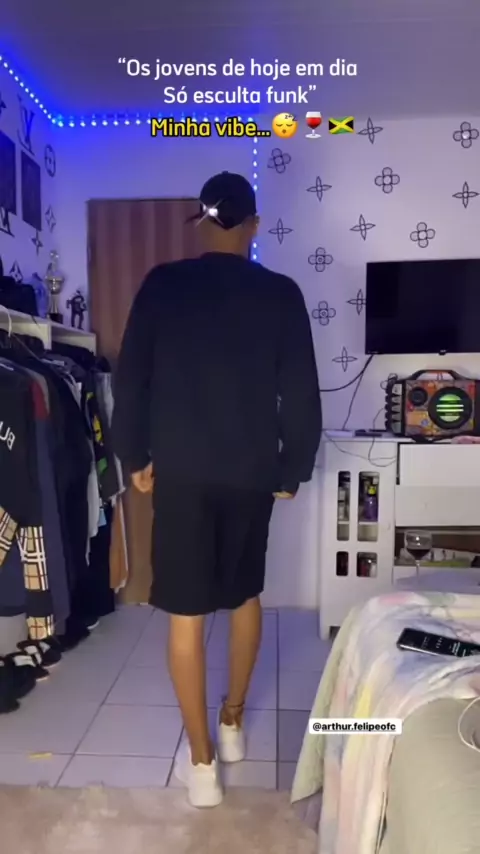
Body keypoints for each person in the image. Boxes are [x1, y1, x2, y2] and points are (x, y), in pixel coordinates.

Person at [112, 171, 322, 807]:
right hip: (250, 470)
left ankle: (202, 765)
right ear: (253, 226)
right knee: (244, 593)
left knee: (186, 612)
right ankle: (231, 723)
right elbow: (301, 392)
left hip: (181, 470)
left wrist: (134, 456)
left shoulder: (162, 285)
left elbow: (132, 379)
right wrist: (293, 468)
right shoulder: (281, 293)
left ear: (201, 223)